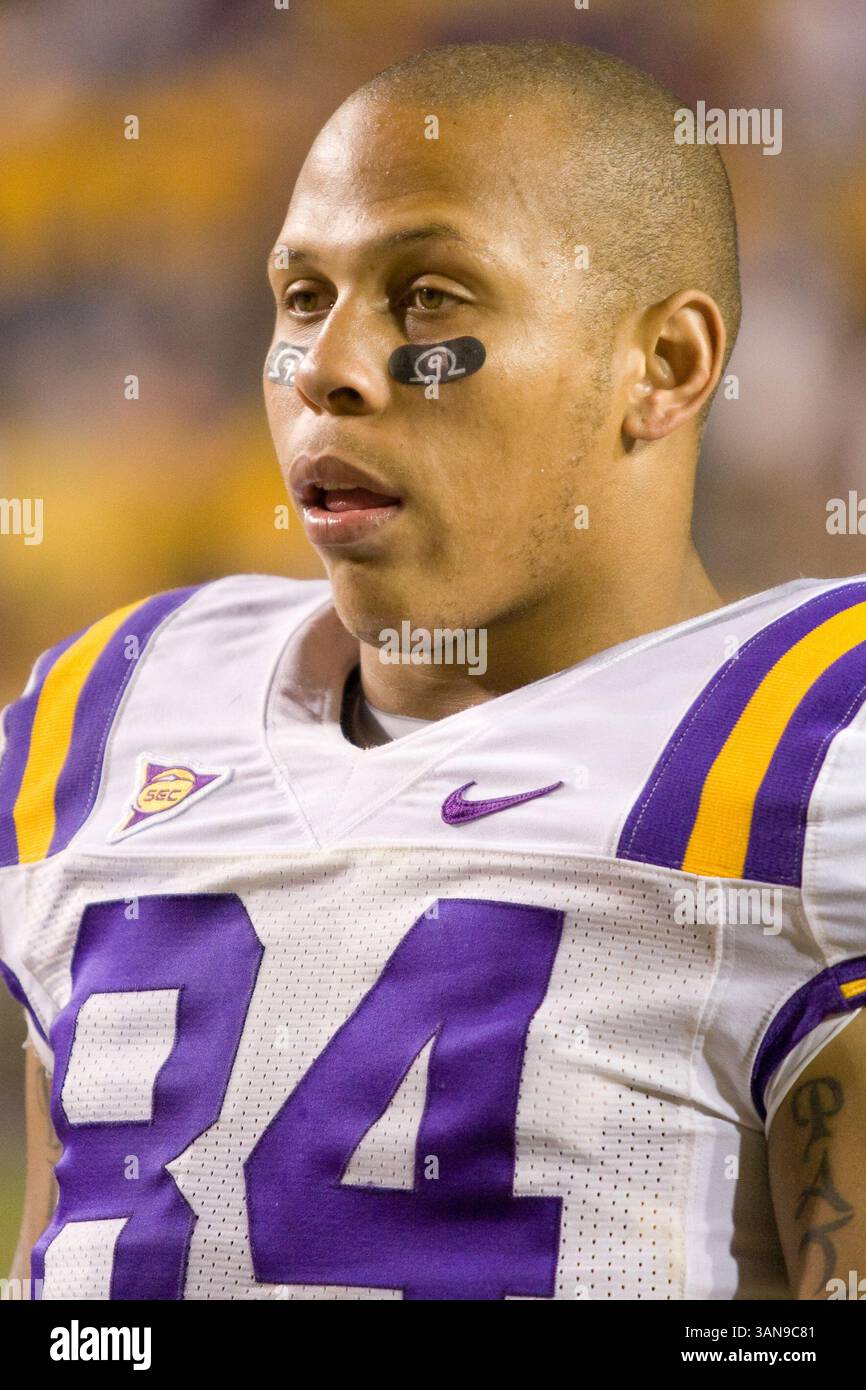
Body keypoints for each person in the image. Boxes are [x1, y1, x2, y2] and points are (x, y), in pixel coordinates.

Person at [3, 40, 864, 1301]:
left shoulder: (812, 750)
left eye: (430, 299)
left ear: (664, 366)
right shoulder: (108, 706)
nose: (327, 371)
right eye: (301, 298)